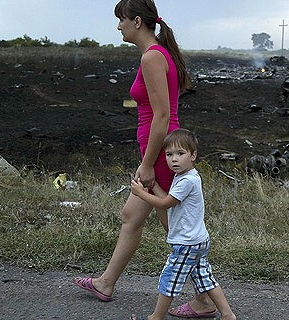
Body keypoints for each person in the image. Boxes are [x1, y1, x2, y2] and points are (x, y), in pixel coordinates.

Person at [73, 0, 217, 317]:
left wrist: (149, 163)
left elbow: (162, 117)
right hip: (157, 153)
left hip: (161, 156)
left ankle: (206, 300)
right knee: (131, 215)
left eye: (121, 20)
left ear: (137, 21)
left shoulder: (153, 57)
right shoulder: (157, 54)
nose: (118, 26)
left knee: (179, 233)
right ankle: (106, 282)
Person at [129, 129, 236, 320]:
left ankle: (156, 317)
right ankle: (228, 314)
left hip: (187, 243)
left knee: (169, 278)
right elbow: (169, 199)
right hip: (197, 240)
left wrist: (140, 193)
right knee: (204, 279)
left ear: (193, 155)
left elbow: (164, 204)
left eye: (180, 154)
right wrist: (152, 186)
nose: (174, 159)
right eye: (169, 155)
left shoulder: (187, 180)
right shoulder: (185, 177)